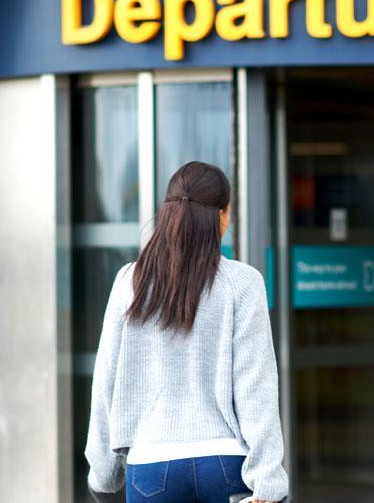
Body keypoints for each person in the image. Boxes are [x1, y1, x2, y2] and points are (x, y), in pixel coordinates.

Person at [86, 161, 288, 503]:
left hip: (150, 467)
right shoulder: (243, 283)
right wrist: (268, 483)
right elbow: (257, 386)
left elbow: (106, 381)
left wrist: (104, 474)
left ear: (168, 214)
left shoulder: (129, 282)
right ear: (222, 216)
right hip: (225, 466)